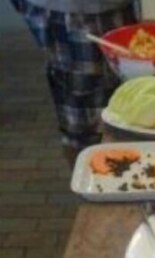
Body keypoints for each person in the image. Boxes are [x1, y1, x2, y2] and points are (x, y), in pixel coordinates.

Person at [11, 0, 138, 165]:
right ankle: (91, 177)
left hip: (99, 9)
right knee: (86, 127)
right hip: (79, 11)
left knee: (129, 106)